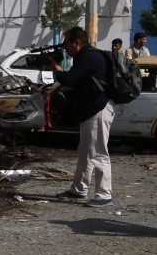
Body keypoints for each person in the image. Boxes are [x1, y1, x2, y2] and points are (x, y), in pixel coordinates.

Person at [48, 26, 114, 207]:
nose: (65, 47)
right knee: (85, 153)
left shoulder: (89, 57)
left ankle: (104, 194)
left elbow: (70, 79)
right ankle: (79, 189)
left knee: (99, 153)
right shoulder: (83, 56)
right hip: (89, 111)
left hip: (98, 110)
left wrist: (56, 68)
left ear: (77, 42)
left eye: (66, 43)